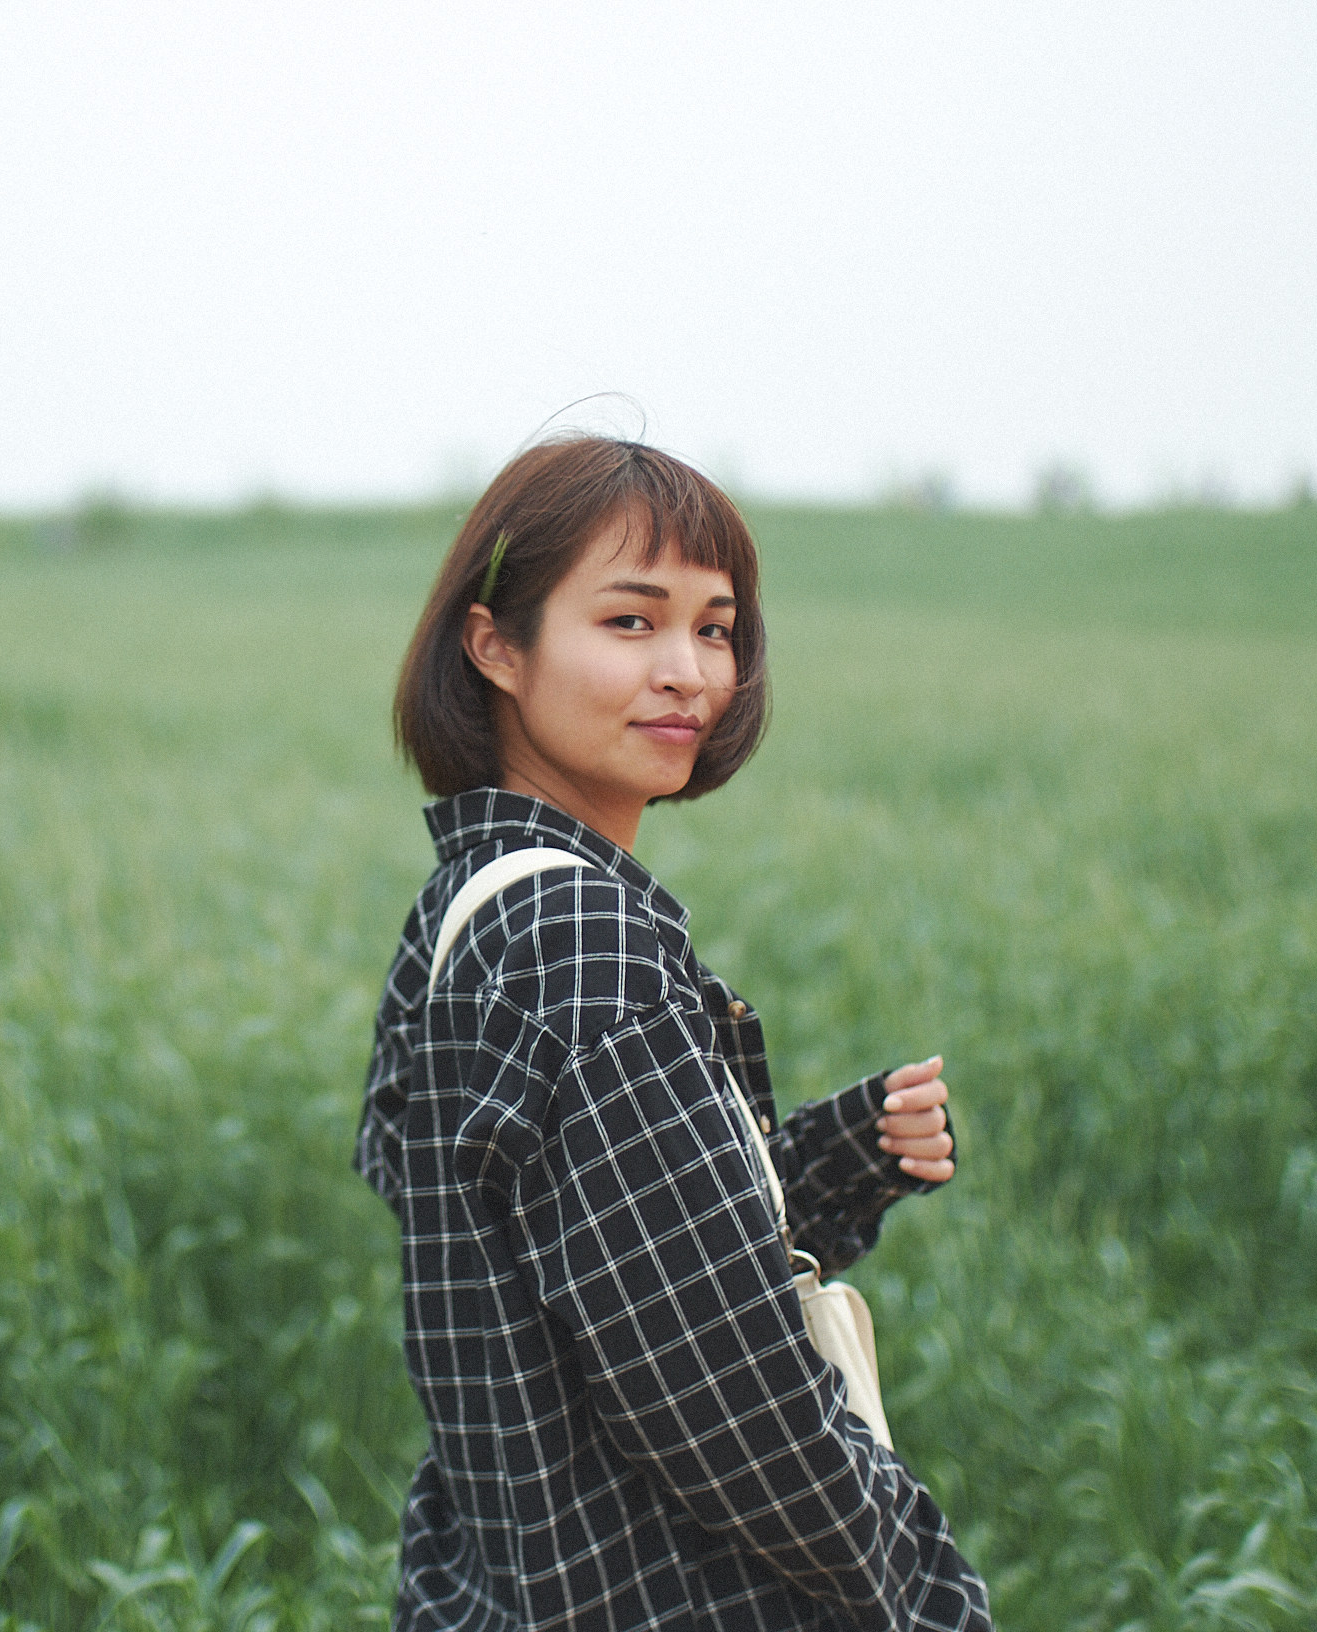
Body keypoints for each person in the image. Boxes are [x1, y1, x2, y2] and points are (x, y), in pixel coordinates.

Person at [355, 435, 993, 1631]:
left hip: (499, 1585)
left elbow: (568, 1258)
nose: (691, 673)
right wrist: (925, 1591)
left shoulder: (472, 906)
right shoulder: (587, 951)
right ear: (496, 644)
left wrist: (834, 1155)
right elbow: (736, 1410)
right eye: (632, 622)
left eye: (716, 627)